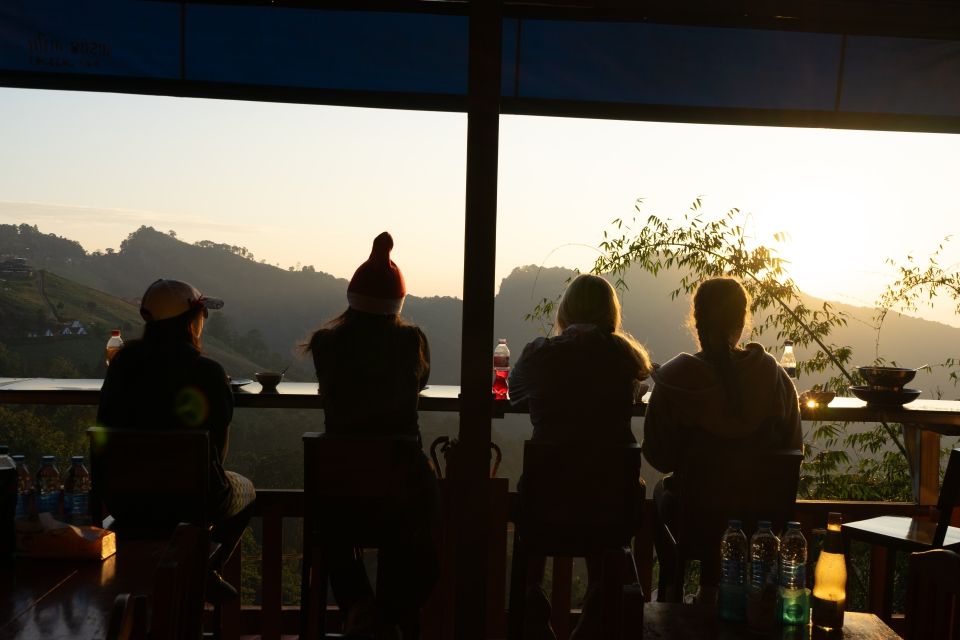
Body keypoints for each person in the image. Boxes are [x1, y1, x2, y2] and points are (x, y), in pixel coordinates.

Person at [303, 232, 437, 640]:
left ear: (352, 298)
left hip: (339, 491)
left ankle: (359, 606)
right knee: (423, 521)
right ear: (397, 304)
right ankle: (391, 613)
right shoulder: (411, 342)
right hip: (400, 490)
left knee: (332, 529)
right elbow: (422, 380)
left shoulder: (326, 343)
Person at [508, 273, 653, 640]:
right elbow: (637, 388)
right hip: (611, 511)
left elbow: (515, 392)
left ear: (565, 310)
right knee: (600, 479)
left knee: (548, 480)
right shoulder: (626, 358)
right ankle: (598, 600)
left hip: (547, 507)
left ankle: (532, 596)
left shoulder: (540, 354)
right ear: (610, 313)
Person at [642, 276, 803, 601]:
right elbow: (793, 451)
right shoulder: (775, 379)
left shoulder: (675, 381)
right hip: (760, 524)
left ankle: (673, 590)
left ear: (696, 321)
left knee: (660, 492)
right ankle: (718, 590)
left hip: (695, 520)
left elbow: (658, 456)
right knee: (730, 498)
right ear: (743, 321)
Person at [97, 278, 256, 601]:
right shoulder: (208, 372)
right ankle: (202, 570)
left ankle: (167, 577)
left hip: (126, 502)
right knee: (249, 491)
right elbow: (218, 447)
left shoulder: (122, 365)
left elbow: (105, 425)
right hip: (191, 503)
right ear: (192, 319)